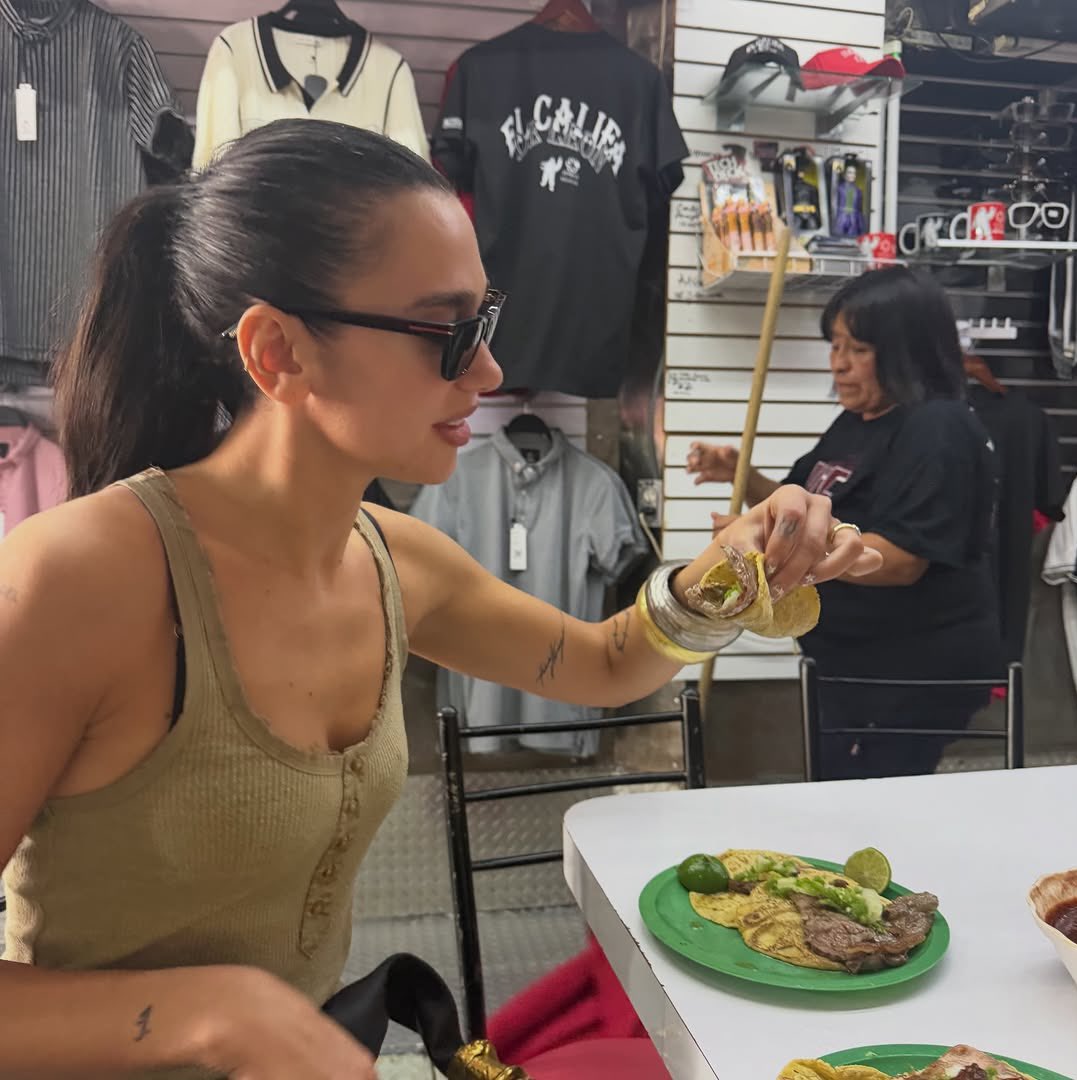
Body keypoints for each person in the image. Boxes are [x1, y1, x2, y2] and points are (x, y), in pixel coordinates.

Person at [0, 119, 877, 1079]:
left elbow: (604, 662)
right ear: (277, 351)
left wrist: (735, 566)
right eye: (447, 333)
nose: (490, 373)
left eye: (483, 324)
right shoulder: (73, 582)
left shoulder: (394, 560)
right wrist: (218, 1014)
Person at [688, 267, 1003, 781]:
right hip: (848, 666)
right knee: (835, 790)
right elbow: (799, 508)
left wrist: (781, 554)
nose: (838, 364)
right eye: (835, 346)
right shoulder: (856, 422)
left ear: (907, 350)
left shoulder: (939, 429)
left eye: (858, 349)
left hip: (908, 673)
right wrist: (742, 478)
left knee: (871, 804)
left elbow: (900, 559)